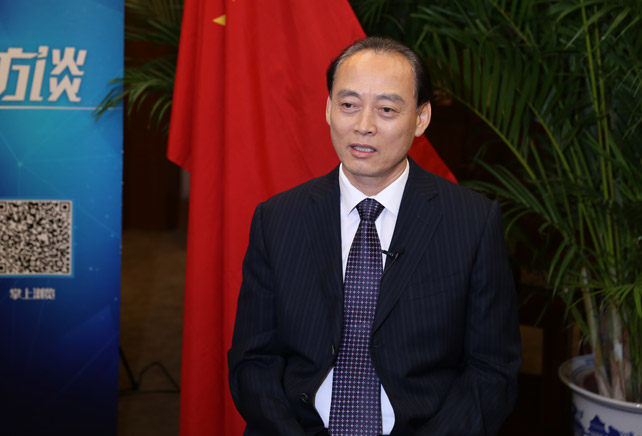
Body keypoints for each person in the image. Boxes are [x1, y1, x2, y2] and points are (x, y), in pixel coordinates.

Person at [228, 37, 521, 436]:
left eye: (386, 109)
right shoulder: (277, 218)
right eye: (349, 105)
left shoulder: (472, 222)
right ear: (328, 109)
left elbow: (492, 370)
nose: (363, 126)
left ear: (421, 118)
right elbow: (253, 361)